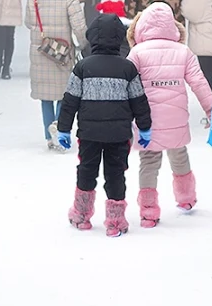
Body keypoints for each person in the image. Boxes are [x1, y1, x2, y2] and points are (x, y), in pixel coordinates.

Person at [56, 12, 152, 237]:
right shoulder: (127, 68)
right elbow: (139, 100)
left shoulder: (82, 67)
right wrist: (144, 127)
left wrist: (63, 128)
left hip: (89, 133)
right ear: (119, 37)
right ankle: (116, 221)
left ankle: (81, 214)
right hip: (119, 135)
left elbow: (70, 100)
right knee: (116, 174)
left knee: (86, 171)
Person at [127, 2, 212, 227]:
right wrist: (211, 110)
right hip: (175, 119)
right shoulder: (183, 52)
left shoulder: (137, 52)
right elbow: (199, 83)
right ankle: (186, 199)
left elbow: (125, 84)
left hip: (147, 120)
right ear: (172, 26)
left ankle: (148, 211)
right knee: (179, 155)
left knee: (148, 161)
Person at [26, 0, 87, 147]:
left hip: (41, 50)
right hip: (63, 52)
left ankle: (48, 136)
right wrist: (84, 44)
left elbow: (28, 22)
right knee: (63, 94)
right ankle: (59, 128)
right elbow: (78, 26)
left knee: (45, 96)